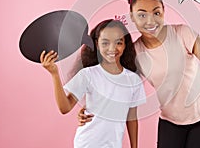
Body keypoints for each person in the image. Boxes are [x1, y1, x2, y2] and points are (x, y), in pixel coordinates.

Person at [79, 0, 200, 148]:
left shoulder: (182, 34)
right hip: (171, 122)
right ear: (132, 18)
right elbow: (115, 85)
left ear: (163, 12)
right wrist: (89, 109)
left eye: (156, 13)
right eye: (142, 14)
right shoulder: (134, 52)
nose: (150, 20)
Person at [40, 19, 146, 148]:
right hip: (87, 143)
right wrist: (54, 74)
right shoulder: (88, 75)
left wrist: (134, 146)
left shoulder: (133, 80)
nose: (112, 48)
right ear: (97, 43)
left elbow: (132, 117)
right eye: (105, 43)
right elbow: (65, 107)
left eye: (118, 42)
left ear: (125, 45)